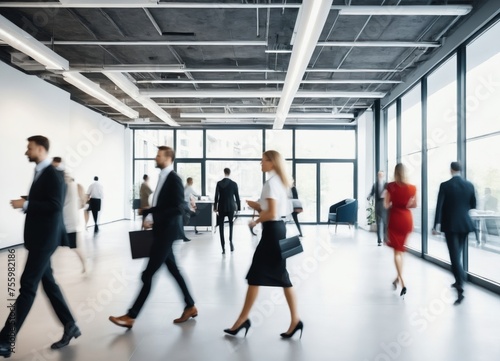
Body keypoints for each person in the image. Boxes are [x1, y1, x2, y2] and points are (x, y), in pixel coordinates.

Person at [0, 136, 81, 358]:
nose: (26, 152)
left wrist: (26, 204)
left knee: (27, 286)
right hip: (40, 238)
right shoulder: (41, 173)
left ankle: (5, 340)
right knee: (49, 284)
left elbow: (55, 206)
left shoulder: (53, 174)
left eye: (29, 148)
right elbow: (47, 201)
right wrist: (29, 201)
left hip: (46, 240)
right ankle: (70, 324)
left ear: (40, 149)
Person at [109, 146, 197, 329]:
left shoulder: (173, 179)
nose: (155, 158)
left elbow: (177, 207)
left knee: (147, 274)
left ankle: (131, 316)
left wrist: (151, 212)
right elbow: (163, 203)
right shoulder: (163, 178)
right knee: (173, 270)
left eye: (158, 156)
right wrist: (151, 217)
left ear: (168, 158)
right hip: (161, 230)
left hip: (166, 233)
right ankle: (190, 305)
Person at [224, 150, 302, 339]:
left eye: (263, 161)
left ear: (272, 163)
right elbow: (275, 210)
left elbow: (271, 213)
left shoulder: (270, 184)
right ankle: (295, 321)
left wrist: (255, 221)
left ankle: (242, 320)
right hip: (278, 230)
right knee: (280, 277)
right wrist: (257, 206)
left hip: (271, 233)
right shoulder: (281, 183)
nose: (261, 164)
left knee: (257, 275)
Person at [432, 162, 476, 305]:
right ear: (460, 170)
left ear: (451, 170)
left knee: (454, 256)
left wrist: (435, 226)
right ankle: (458, 281)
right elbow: (473, 204)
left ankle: (461, 285)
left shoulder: (445, 185)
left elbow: (439, 207)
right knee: (458, 254)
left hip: (450, 225)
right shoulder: (469, 185)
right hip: (465, 224)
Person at [384, 163, 416, 299]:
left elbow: (386, 205)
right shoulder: (412, 188)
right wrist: (405, 203)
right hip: (407, 220)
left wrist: (393, 203)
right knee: (400, 251)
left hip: (396, 218)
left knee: (397, 252)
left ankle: (402, 282)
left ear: (395, 172)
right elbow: (414, 204)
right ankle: (397, 278)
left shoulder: (390, 186)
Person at [52, 157, 89, 275]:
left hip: (67, 221)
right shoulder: (69, 181)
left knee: (73, 246)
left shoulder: (64, 182)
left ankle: (85, 264)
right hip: (65, 221)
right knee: (50, 246)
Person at [214, 168, 241, 254]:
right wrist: (239, 208)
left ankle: (223, 247)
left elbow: (216, 197)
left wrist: (215, 207)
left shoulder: (219, 183)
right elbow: (237, 197)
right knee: (231, 225)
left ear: (224, 172)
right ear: (229, 173)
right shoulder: (234, 184)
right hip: (231, 207)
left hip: (221, 207)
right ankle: (231, 242)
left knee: (221, 227)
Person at [367, 170, 388, 246]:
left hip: (385, 206)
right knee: (379, 224)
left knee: (385, 223)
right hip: (378, 206)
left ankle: (385, 239)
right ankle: (379, 241)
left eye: (381, 175)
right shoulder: (375, 184)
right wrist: (369, 197)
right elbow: (372, 192)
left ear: (383, 176)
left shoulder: (386, 184)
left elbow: (389, 193)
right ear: (377, 176)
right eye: (379, 175)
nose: (380, 176)